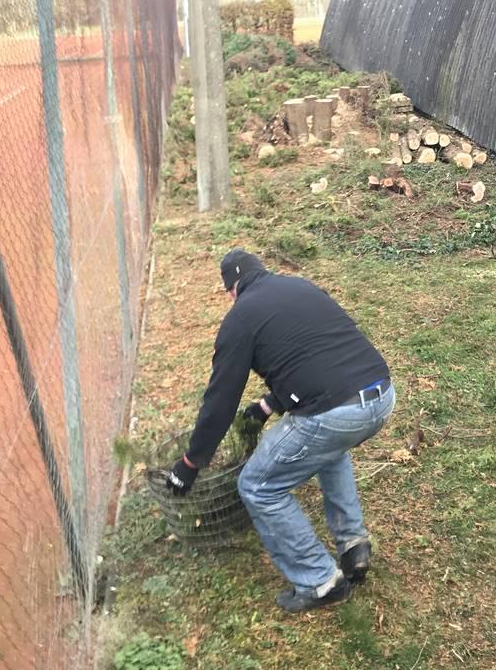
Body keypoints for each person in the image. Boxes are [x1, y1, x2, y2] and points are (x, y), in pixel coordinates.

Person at [165, 248, 395, 613]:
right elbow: (319, 353)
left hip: (337, 412)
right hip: (381, 394)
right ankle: (354, 546)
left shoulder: (240, 318)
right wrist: (268, 405)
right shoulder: (299, 287)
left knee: (258, 485)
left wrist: (191, 463)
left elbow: (220, 401)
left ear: (232, 290)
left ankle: (320, 581)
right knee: (327, 448)